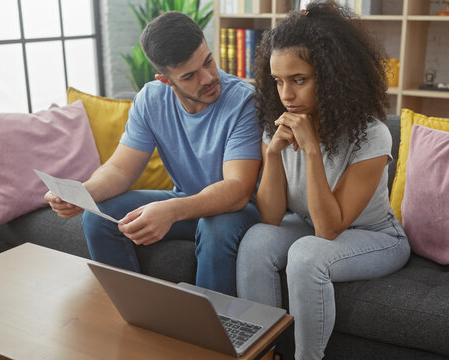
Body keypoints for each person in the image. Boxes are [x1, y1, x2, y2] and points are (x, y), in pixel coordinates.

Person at [235, 2, 410, 359]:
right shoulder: (278, 124)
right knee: (255, 239)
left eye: (299, 80)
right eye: (279, 81)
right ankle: (263, 354)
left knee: (306, 255)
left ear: (331, 77)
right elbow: (270, 216)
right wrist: (272, 154)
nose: (286, 94)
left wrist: (312, 150)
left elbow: (329, 229)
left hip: (376, 237)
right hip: (308, 225)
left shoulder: (371, 134)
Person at [44, 11, 262, 296]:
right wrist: (82, 194)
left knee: (215, 229)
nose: (208, 78)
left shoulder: (244, 101)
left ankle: (214, 334)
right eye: (190, 76)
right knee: (97, 217)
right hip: (186, 201)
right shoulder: (150, 100)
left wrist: (171, 211)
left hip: (238, 210)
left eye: (208, 60)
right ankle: (138, 313)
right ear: (166, 80)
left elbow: (238, 189)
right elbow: (121, 170)